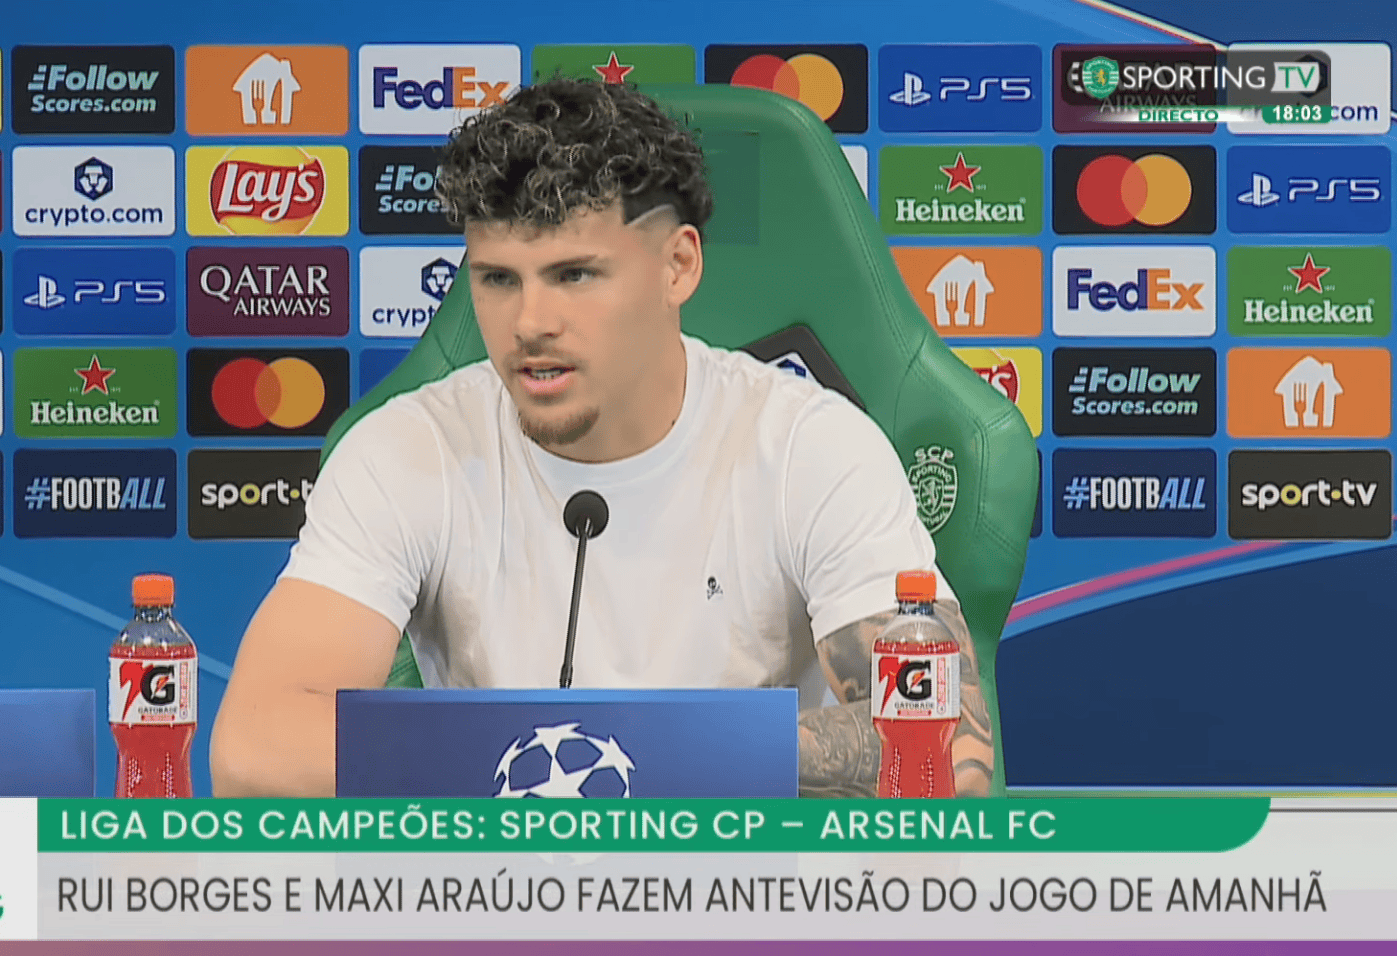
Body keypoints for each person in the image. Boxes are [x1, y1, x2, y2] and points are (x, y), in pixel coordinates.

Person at [210, 77, 994, 799]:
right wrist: (551, 761)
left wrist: (618, 758)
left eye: (574, 275)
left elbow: (947, 753)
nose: (529, 323)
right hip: (494, 886)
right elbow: (252, 746)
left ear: (677, 266)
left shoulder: (811, 448)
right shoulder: (408, 451)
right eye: (498, 278)